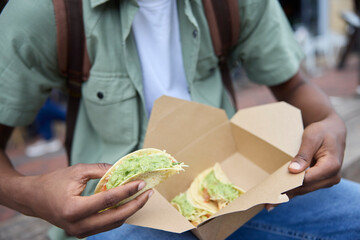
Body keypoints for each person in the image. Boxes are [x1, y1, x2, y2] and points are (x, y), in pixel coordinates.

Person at [0, 0, 359, 240]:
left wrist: (329, 121)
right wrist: (30, 195)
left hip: (234, 190)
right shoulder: (45, 11)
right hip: (119, 213)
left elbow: (293, 83)